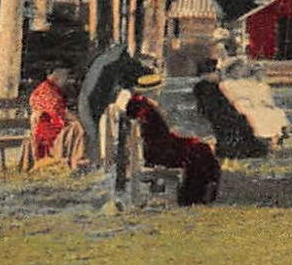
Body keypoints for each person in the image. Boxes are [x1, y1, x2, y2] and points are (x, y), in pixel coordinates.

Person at [113, 70, 220, 206]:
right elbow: (156, 134)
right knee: (200, 150)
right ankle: (194, 196)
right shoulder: (143, 106)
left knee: (199, 148)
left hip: (157, 147)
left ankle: (196, 195)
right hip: (157, 151)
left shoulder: (141, 104)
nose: (159, 92)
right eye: (157, 90)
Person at [21, 68, 89, 170]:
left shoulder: (48, 88)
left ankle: (76, 159)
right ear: (58, 78)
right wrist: (74, 118)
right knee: (77, 128)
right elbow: (56, 112)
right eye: (65, 79)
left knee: (76, 127)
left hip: (46, 125)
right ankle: (76, 161)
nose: (66, 82)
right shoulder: (48, 91)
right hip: (48, 129)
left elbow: (59, 110)